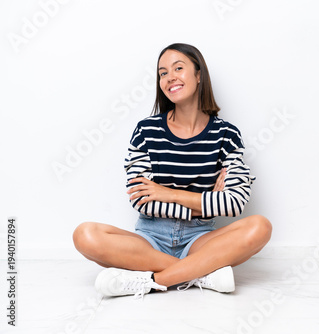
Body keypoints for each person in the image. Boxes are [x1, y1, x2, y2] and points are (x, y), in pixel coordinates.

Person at [73, 43, 272, 299]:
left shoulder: (227, 134)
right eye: (163, 73)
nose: (170, 78)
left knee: (260, 226)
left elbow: (234, 203)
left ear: (199, 75)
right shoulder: (146, 130)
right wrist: (206, 200)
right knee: (85, 235)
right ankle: (200, 273)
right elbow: (142, 199)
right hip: (150, 238)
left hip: (199, 239)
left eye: (179, 68)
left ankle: (152, 280)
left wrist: (165, 193)